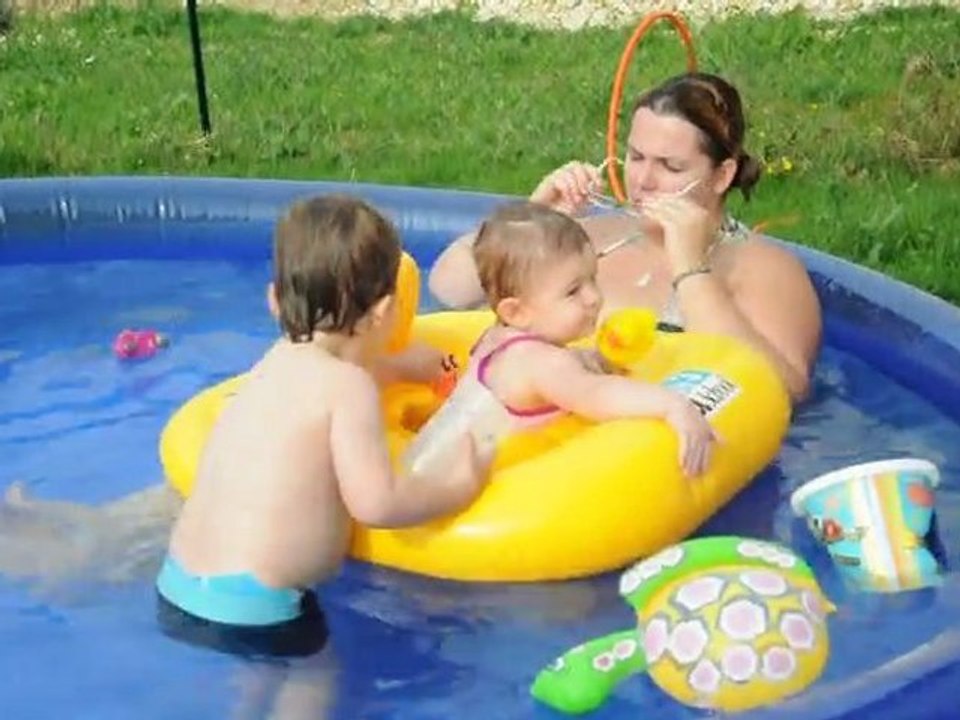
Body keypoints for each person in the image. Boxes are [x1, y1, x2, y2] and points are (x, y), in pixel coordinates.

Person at [156, 195, 490, 658]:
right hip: (260, 604)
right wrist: (456, 485)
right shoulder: (350, 388)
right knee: (314, 680)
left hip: (179, 581)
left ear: (274, 299)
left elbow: (365, 367)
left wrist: (421, 367)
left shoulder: (275, 363)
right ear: (384, 311)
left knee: (253, 688)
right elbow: (376, 502)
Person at [428, 72, 821, 402]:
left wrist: (691, 270)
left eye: (670, 166)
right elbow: (448, 289)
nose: (644, 181)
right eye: (636, 158)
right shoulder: (588, 237)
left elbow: (782, 391)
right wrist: (532, 216)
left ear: (722, 175)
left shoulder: (765, 269)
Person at [403, 201, 716, 481]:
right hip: (447, 491)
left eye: (592, 278)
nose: (594, 298)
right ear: (517, 311)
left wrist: (594, 360)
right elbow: (594, 395)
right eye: (573, 290)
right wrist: (674, 405)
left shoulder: (500, 339)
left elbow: (550, 381)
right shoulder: (540, 361)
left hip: (422, 466)